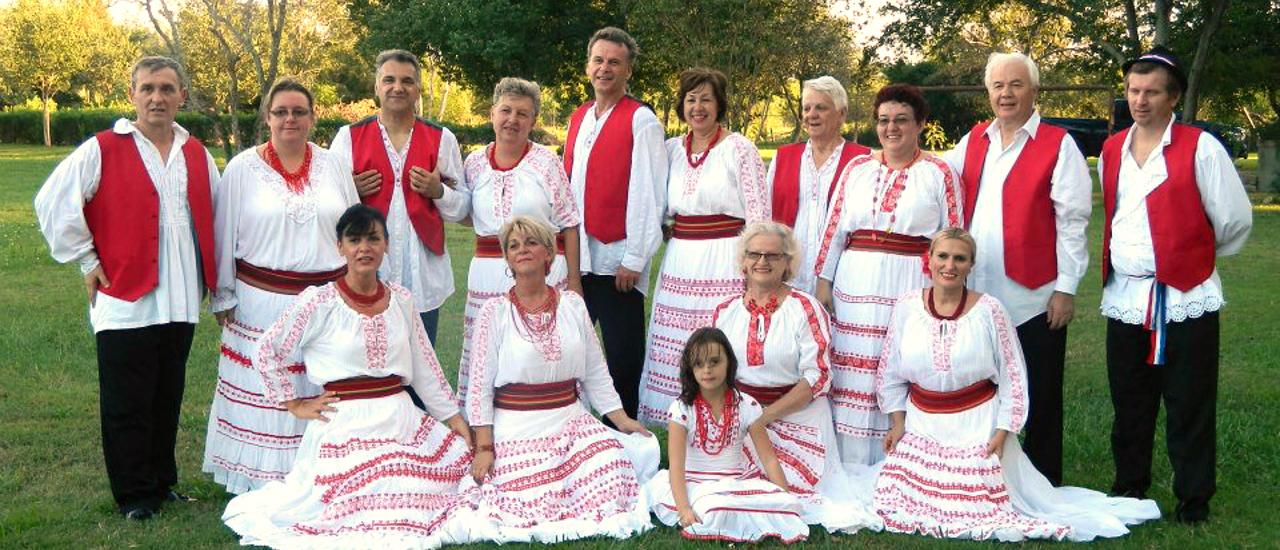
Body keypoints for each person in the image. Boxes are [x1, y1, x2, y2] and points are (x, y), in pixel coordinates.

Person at [874, 228, 1161, 541]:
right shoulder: (907, 306)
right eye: (942, 256)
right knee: (899, 502)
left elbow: (1013, 375)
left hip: (976, 426)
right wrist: (897, 422)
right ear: (927, 260)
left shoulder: (989, 310)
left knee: (975, 508)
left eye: (960, 258)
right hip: (923, 425)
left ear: (971, 266)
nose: (950, 265)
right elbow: (891, 369)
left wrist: (1003, 431)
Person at [222, 205, 474, 549]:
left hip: (401, 419)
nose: (364, 248)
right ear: (339, 246)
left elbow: (425, 368)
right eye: (354, 240)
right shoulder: (319, 302)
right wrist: (295, 403)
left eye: (373, 238)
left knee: (453, 472)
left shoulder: (401, 300)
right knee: (379, 487)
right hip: (346, 424)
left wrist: (454, 418)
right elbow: (268, 350)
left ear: (386, 244)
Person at [34, 56, 220, 520]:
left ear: (181, 95)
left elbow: (217, 213)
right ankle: (135, 494)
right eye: (147, 88)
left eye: (166, 88)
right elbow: (52, 202)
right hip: (125, 297)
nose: (157, 97)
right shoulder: (102, 147)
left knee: (165, 396)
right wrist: (87, 260)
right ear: (133, 94)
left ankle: (162, 481)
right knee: (126, 402)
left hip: (180, 298)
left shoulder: (196, 152)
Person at [1098, 47, 1252, 524]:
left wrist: (1190, 258)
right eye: (1133, 90)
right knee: (1129, 400)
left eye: (1151, 92)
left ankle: (1193, 498)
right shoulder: (1112, 148)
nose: (1140, 101)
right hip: (1126, 297)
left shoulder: (1200, 146)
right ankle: (1129, 487)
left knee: (1189, 400)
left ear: (1174, 97)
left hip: (1186, 295)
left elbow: (1232, 220)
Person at [455, 216, 657, 544]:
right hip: (517, 425)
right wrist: (484, 447)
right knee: (526, 491)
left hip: (570, 421)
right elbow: (479, 388)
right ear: (507, 258)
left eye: (531, 242)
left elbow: (595, 371)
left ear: (549, 254)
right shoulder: (494, 313)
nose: (522, 250)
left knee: (612, 462)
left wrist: (620, 419)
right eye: (514, 246)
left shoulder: (573, 306)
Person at [940, 52, 1092, 486]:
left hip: (1033, 296)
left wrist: (1066, 288)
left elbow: (1073, 222)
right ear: (988, 92)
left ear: (1034, 91)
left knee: (1039, 392)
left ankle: (1044, 479)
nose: (1006, 94)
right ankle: (986, 475)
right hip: (978, 294)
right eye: (998, 86)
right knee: (983, 389)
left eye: (1016, 85)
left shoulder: (1059, 144)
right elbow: (937, 176)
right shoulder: (973, 140)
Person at [203, 78, 360, 494]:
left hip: (325, 302)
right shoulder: (241, 168)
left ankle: (319, 475)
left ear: (312, 118)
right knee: (267, 386)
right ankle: (262, 480)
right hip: (259, 301)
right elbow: (223, 234)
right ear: (268, 118)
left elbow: (353, 230)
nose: (290, 119)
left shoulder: (334, 166)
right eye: (281, 112)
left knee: (319, 387)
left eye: (299, 111)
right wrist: (223, 293)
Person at [813, 83, 960, 466]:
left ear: (921, 124)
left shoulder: (939, 171)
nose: (891, 128)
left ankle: (898, 462)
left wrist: (948, 294)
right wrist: (823, 282)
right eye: (883, 120)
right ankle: (849, 460)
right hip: (854, 283)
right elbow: (834, 229)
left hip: (911, 282)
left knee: (899, 363)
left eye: (901, 120)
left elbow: (954, 235)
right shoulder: (857, 168)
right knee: (853, 369)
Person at [712, 221, 881, 533]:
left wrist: (764, 417)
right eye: (754, 254)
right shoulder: (725, 310)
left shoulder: (805, 308)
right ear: (743, 261)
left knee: (775, 491)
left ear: (788, 263)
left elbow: (817, 377)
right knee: (718, 484)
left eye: (773, 256)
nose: (762, 262)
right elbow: (714, 374)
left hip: (798, 417)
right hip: (742, 416)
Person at [637, 67, 770, 425]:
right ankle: (677, 419)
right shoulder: (669, 150)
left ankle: (726, 418)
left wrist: (755, 268)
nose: (698, 107)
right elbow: (653, 202)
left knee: (720, 337)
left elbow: (759, 217)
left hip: (725, 260)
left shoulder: (740, 149)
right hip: (681, 259)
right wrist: (663, 228)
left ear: (720, 104)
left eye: (706, 99)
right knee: (678, 340)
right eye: (691, 99)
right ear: (681, 105)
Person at [455, 78, 582, 403]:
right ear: (492, 113)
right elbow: (468, 213)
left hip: (543, 274)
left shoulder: (545, 162)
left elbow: (569, 222)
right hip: (486, 273)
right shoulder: (474, 163)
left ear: (533, 121)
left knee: (537, 349)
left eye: (522, 114)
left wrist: (575, 281)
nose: (512, 119)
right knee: (488, 352)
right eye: (506, 111)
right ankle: (485, 426)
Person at [564, 27, 668, 424]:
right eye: (598, 60)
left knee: (622, 359)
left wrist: (636, 256)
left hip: (617, 260)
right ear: (588, 66)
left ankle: (625, 441)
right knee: (571, 353)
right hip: (579, 261)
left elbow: (649, 193)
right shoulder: (578, 118)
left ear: (628, 72)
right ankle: (576, 433)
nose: (604, 68)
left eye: (614, 62)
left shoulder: (641, 120)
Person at [329, 49, 468, 345]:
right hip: (366, 270)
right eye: (389, 79)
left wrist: (438, 191)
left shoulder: (442, 138)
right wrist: (349, 190)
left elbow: (462, 208)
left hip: (424, 274)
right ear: (376, 87)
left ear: (417, 89)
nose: (397, 87)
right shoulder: (347, 138)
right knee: (369, 359)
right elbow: (327, 206)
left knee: (422, 366)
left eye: (407, 81)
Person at [645, 327, 808, 543]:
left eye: (714, 361)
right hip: (696, 483)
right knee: (714, 510)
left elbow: (768, 458)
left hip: (737, 480)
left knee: (777, 502)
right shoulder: (682, 409)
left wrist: (785, 498)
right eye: (699, 364)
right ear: (690, 369)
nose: (707, 370)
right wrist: (684, 510)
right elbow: (676, 466)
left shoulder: (747, 405)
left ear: (729, 362)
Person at [766, 76, 871, 294]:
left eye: (821, 108)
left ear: (841, 114)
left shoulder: (863, 160)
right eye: (807, 108)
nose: (811, 115)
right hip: (788, 279)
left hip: (842, 279)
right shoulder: (783, 157)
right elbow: (766, 217)